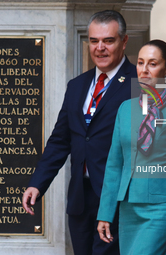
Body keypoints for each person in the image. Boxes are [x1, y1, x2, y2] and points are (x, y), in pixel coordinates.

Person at [22, 10, 137, 255]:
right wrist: (37, 184)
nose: (100, 48)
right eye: (94, 41)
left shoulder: (140, 84)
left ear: (124, 41)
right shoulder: (77, 85)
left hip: (117, 199)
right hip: (80, 200)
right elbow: (60, 140)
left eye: (108, 40)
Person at [97, 39, 166, 254]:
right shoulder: (125, 109)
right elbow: (114, 164)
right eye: (140, 63)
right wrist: (105, 212)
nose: (144, 70)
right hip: (129, 207)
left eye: (152, 63)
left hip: (161, 209)